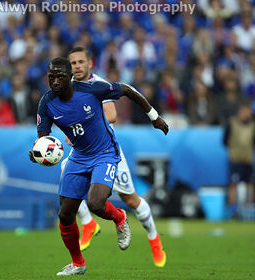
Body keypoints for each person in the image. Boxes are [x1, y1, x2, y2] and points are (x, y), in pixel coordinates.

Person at [29, 57, 168, 276]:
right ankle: (78, 263)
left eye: (60, 77)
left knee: (95, 203)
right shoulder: (46, 102)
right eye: (51, 77)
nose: (55, 82)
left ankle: (120, 218)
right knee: (65, 214)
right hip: (79, 156)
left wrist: (154, 116)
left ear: (70, 77)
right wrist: (37, 152)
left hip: (104, 152)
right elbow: (43, 139)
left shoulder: (92, 90)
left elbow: (127, 90)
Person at [67, 46, 166, 268]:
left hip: (107, 151)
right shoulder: (68, 88)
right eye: (73, 63)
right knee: (65, 172)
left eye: (81, 62)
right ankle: (88, 224)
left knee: (131, 199)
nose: (77, 66)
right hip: (83, 150)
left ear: (90, 63)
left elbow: (111, 115)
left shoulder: (98, 85)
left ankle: (154, 239)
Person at [223, 101, 255, 217]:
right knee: (233, 184)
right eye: (249, 110)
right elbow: (224, 140)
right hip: (235, 159)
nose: (251, 113)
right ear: (242, 110)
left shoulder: (253, 124)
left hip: (248, 159)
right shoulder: (232, 123)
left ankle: (250, 211)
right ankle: (233, 211)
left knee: (250, 184)